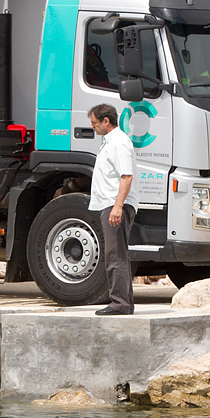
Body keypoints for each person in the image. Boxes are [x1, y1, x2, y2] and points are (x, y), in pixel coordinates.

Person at [87, 103, 138, 315]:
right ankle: (125, 303)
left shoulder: (118, 143)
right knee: (119, 254)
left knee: (115, 255)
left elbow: (126, 176)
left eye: (94, 123)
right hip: (110, 203)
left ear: (106, 121)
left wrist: (118, 206)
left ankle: (119, 304)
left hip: (115, 204)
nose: (93, 127)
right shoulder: (110, 142)